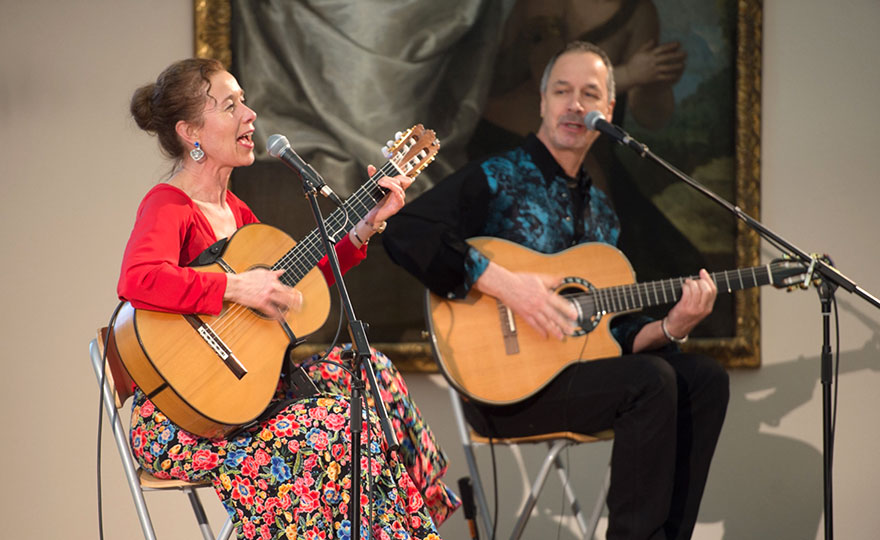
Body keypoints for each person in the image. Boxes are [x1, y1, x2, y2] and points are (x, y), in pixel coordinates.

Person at [382, 41, 728, 540]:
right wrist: (506, 284)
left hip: (581, 378)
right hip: (502, 390)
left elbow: (615, 336)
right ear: (542, 103)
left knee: (703, 377)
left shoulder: (603, 212)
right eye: (562, 91)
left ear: (608, 112)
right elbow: (407, 230)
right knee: (651, 382)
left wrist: (670, 327)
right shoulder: (498, 177)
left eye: (590, 94)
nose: (575, 104)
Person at [119, 57, 457, 539]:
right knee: (341, 420)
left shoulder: (237, 212)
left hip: (247, 402)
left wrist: (363, 225)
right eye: (230, 105)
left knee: (375, 375)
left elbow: (290, 280)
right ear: (191, 131)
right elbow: (139, 279)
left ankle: (407, 525)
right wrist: (237, 287)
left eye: (245, 101)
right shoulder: (169, 204)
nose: (250, 114)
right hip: (182, 420)